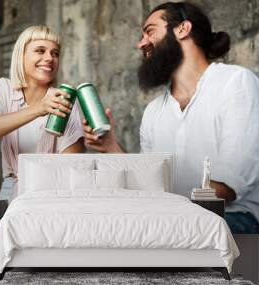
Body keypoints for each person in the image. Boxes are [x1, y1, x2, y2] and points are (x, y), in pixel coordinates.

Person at [83, 2, 259, 234]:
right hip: (168, 222)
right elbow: (148, 186)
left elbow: (228, 185)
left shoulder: (236, 82)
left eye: (150, 31)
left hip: (234, 220)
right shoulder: (154, 112)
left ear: (182, 29)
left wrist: (161, 213)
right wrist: (111, 147)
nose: (141, 43)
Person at [0, 26, 84, 202]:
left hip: (47, 195)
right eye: (40, 51)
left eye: (55, 53)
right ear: (21, 55)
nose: (49, 58)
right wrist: (38, 109)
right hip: (10, 189)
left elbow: (70, 168)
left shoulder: (65, 100)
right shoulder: (3, 88)